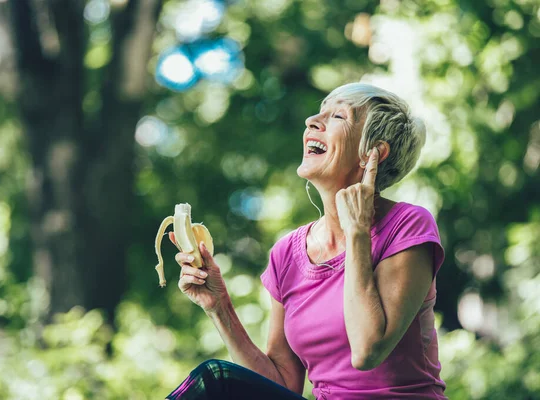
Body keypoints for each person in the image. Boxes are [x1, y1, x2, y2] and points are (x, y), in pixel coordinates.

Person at [165, 83, 447, 399]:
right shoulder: (286, 254)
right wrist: (218, 307)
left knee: (216, 379)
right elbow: (282, 386)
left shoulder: (408, 226)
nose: (312, 120)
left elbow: (368, 350)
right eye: (319, 112)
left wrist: (357, 233)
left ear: (373, 154)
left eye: (338, 116)